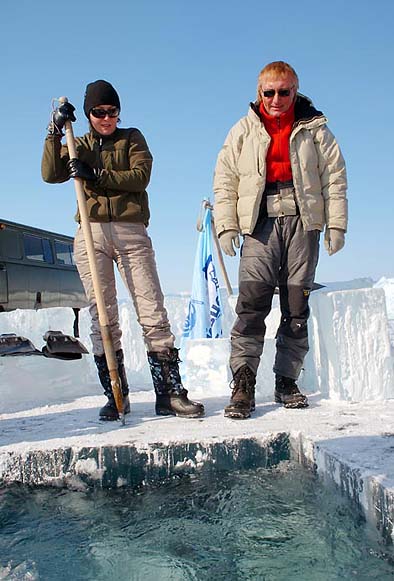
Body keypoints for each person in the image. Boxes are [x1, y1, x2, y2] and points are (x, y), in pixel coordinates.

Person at [41, 79, 204, 421]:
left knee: (152, 312)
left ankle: (170, 393)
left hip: (132, 233)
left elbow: (140, 176)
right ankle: (116, 394)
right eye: (98, 112)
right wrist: (54, 130)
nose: (106, 118)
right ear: (88, 114)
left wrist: (97, 174)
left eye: (112, 111)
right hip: (91, 232)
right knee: (103, 317)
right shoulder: (78, 142)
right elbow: (50, 173)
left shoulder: (132, 138)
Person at [213, 61, 348, 419]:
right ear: (259, 93)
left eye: (283, 92)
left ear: (295, 90)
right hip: (259, 224)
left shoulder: (316, 130)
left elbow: (334, 178)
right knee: (251, 306)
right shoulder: (242, 130)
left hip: (303, 222)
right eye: (268, 92)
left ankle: (286, 381)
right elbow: (225, 179)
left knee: (296, 308)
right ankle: (243, 384)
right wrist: (226, 225)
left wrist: (336, 224)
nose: (276, 99)